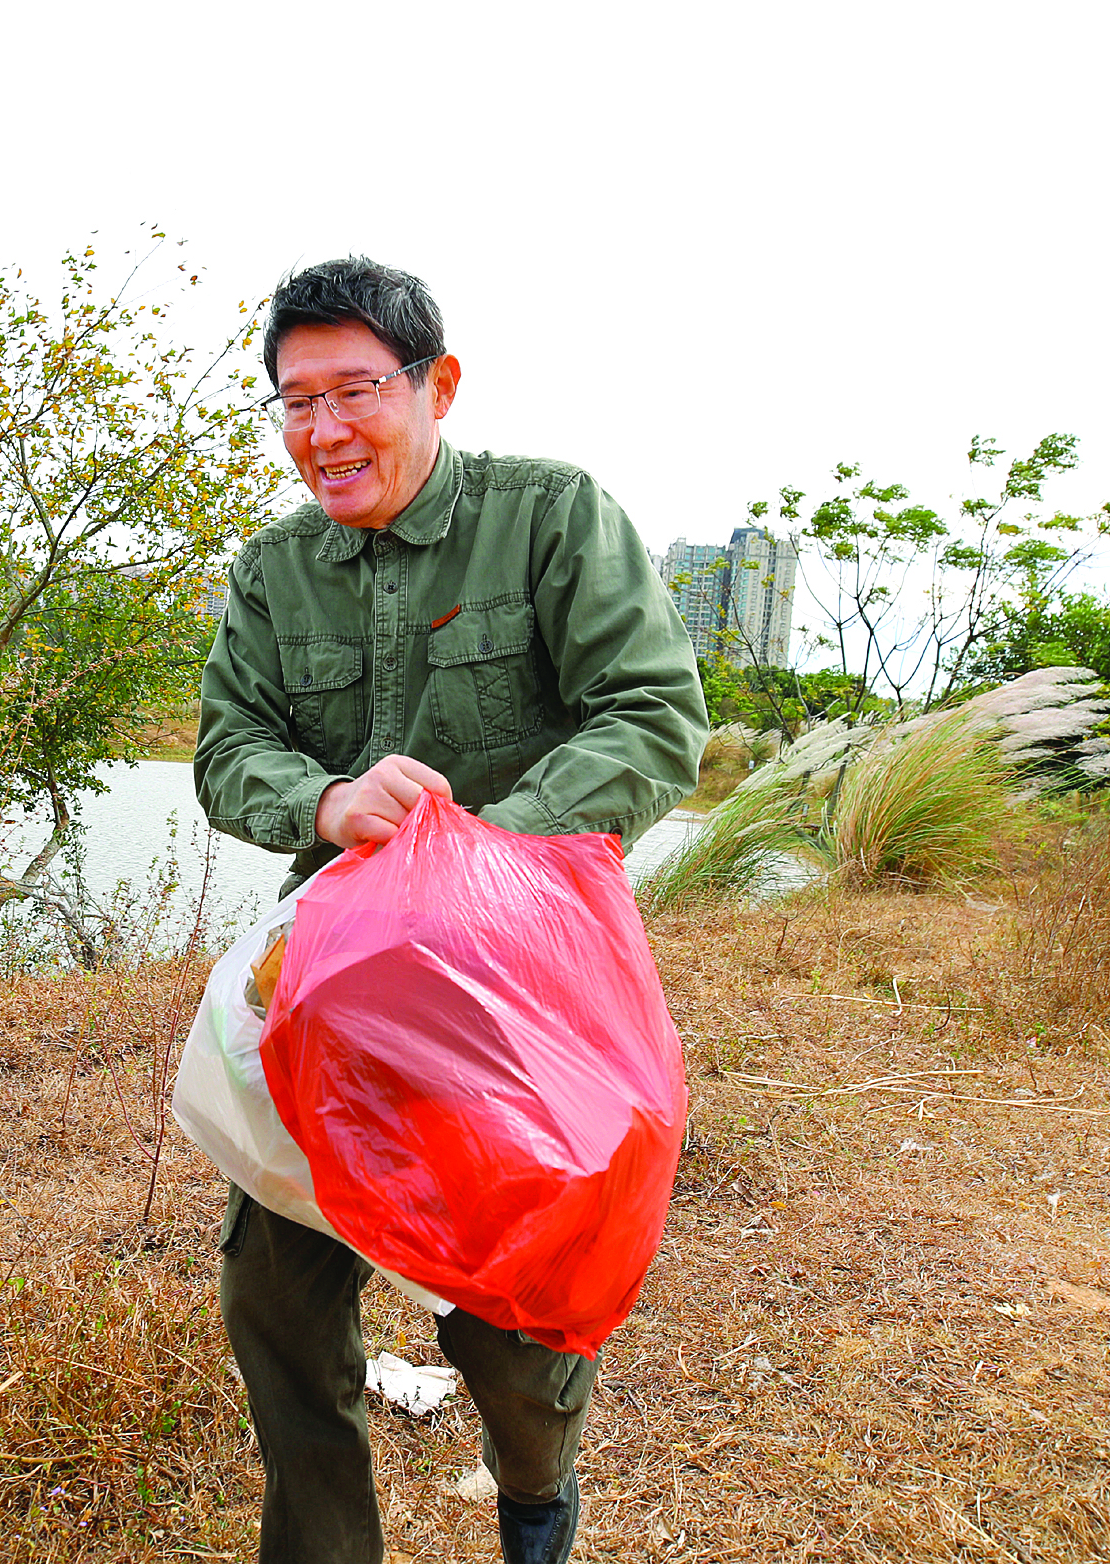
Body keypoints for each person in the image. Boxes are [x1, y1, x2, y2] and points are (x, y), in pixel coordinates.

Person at [193, 256, 706, 1564]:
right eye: (294, 402)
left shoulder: (548, 521)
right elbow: (226, 747)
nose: (323, 432)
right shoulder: (272, 574)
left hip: (513, 995)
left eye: (355, 391)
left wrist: (473, 856)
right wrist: (325, 805)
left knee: (511, 1326)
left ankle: (536, 1501)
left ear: (438, 386)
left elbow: (651, 719)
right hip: (330, 986)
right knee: (280, 1296)